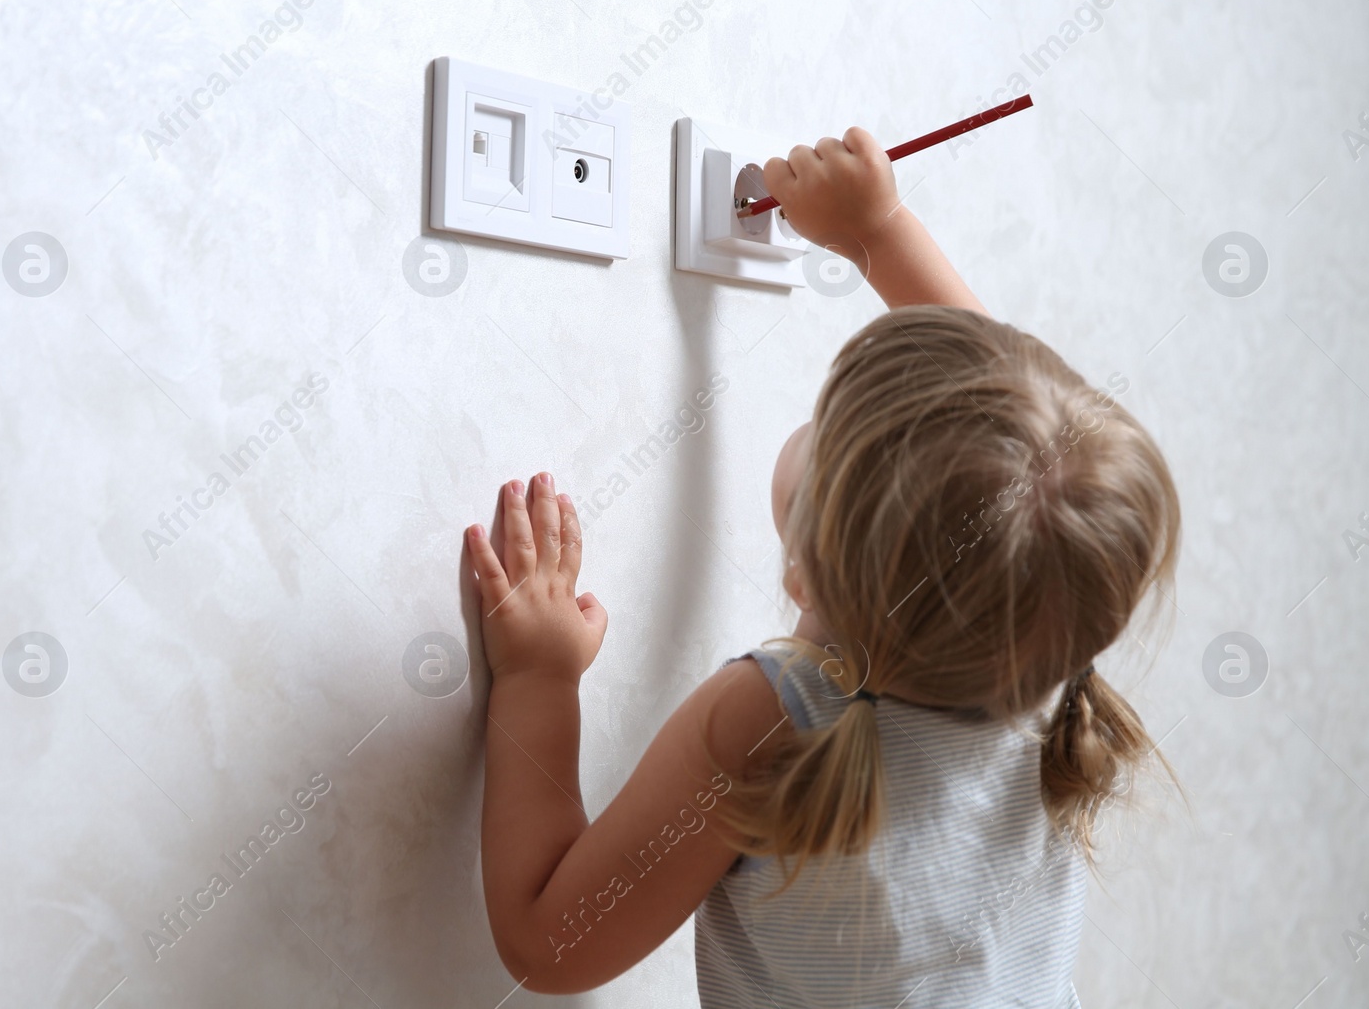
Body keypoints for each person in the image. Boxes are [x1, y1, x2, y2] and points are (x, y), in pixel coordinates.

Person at [461, 127, 1181, 1006]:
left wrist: (538, 676)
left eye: (826, 427)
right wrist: (876, 229)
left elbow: (551, 941)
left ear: (804, 569)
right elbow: (1017, 459)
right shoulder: (1042, 642)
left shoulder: (773, 715)